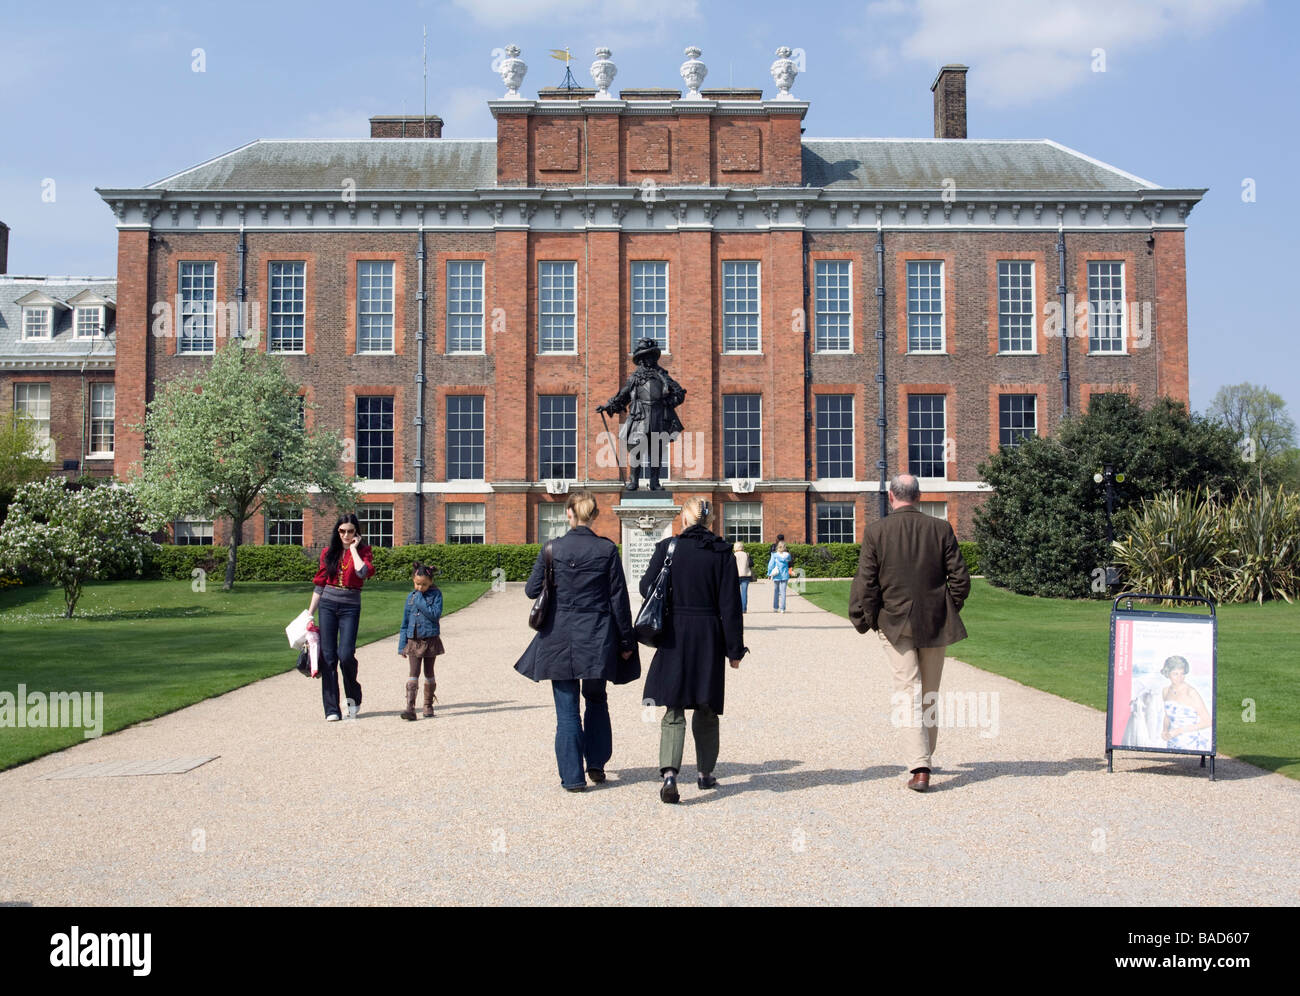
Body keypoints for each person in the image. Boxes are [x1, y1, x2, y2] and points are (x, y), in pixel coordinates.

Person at [848, 474, 970, 792]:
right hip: (934, 622)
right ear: (919, 496)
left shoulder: (876, 531)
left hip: (894, 622)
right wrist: (946, 607)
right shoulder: (940, 528)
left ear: (891, 497)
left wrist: (865, 618)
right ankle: (923, 759)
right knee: (928, 693)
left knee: (907, 692)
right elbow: (960, 579)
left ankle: (919, 765)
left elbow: (866, 582)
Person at [515, 491, 640, 792]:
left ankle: (572, 777)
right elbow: (619, 601)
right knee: (596, 700)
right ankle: (596, 763)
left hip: (559, 636)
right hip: (597, 635)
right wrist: (626, 642)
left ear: (568, 514)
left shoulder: (552, 548)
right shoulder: (606, 550)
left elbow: (532, 591)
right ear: (594, 515)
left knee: (566, 709)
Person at [641, 497, 747, 803]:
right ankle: (704, 773)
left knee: (673, 708)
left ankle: (670, 774)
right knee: (706, 706)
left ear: (684, 520)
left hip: (674, 633)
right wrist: (735, 650)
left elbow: (647, 587)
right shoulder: (722, 552)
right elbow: (730, 606)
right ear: (709, 521)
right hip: (708, 635)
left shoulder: (668, 548)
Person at [596, 337, 686, 492]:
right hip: (639, 417)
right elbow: (622, 396)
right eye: (646, 356)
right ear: (642, 359)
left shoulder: (662, 376)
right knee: (636, 450)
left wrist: (667, 403)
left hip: (658, 418)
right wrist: (608, 406)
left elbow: (679, 393)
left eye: (651, 356)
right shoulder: (635, 378)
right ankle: (634, 481)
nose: (649, 359)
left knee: (656, 452)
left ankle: (654, 482)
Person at [309, 513, 375, 722]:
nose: (346, 535)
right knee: (328, 658)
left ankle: (353, 699)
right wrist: (309, 614)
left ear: (356, 533)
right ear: (337, 532)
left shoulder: (364, 551)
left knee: (345, 655)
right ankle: (331, 709)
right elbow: (320, 583)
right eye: (342, 531)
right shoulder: (329, 553)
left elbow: (363, 572)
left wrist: (354, 549)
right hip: (327, 604)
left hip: (350, 606)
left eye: (350, 531)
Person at [397, 563, 444, 720]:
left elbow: (434, 615)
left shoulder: (436, 595)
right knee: (413, 673)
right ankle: (410, 708)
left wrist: (420, 602)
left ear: (430, 581)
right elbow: (404, 623)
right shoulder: (411, 597)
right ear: (413, 580)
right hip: (413, 640)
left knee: (429, 672)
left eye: (424, 584)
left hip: (430, 639)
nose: (420, 587)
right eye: (417, 583)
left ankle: (428, 705)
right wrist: (402, 645)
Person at [1160, 655, 1211, 751]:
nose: (1180, 677)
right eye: (1175, 674)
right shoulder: (1165, 691)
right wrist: (1165, 730)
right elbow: (1167, 716)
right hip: (1172, 740)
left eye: (1182, 674)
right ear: (1168, 674)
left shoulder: (1191, 692)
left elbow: (1207, 721)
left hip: (1190, 741)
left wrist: (1180, 730)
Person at [767, 540, 792, 613]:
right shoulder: (787, 555)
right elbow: (789, 561)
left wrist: (769, 573)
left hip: (776, 575)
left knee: (776, 591)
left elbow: (771, 565)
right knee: (783, 592)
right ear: (785, 547)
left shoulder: (774, 555)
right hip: (784, 575)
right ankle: (782, 608)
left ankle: (775, 607)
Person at [733, 541, 753, 613]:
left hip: (736, 575)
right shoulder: (746, 554)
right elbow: (751, 564)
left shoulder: (734, 555)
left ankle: (736, 608)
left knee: (735, 593)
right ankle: (744, 609)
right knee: (744, 592)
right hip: (746, 574)